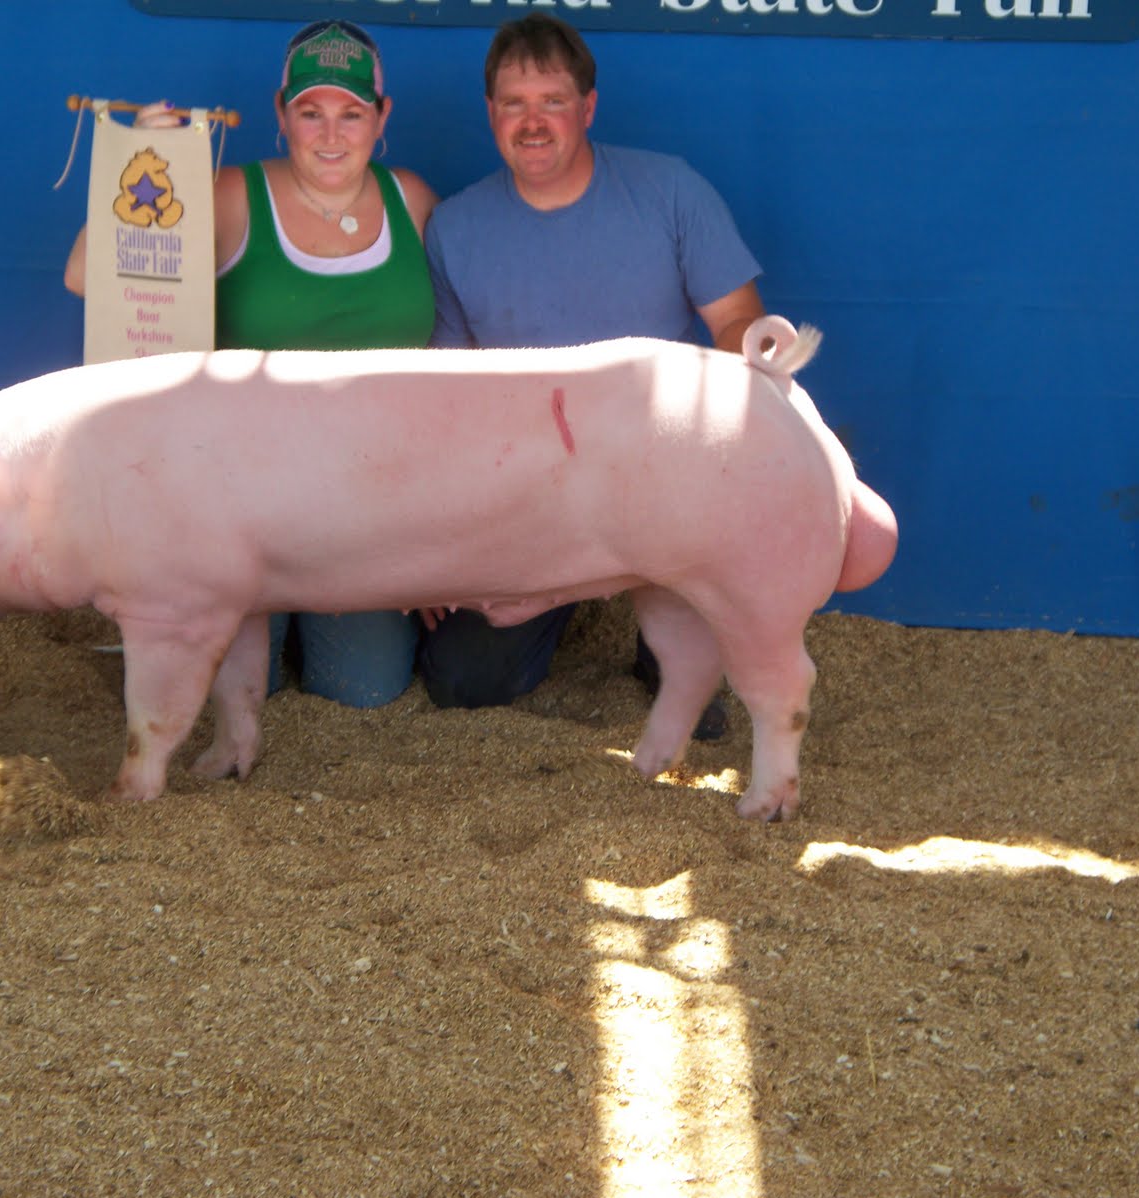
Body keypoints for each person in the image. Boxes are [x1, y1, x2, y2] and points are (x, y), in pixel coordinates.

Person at [65, 20, 437, 709]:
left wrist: (435, 534)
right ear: (281, 113)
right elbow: (87, 276)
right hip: (236, 506)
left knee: (364, 688)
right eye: (311, 112)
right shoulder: (231, 194)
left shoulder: (410, 200)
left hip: (366, 509)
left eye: (352, 113)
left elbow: (459, 353)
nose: (331, 134)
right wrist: (145, 158)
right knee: (231, 691)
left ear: (381, 117)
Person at [418, 12, 766, 738]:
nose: (533, 122)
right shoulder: (455, 227)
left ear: (588, 107)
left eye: (553, 100)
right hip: (530, 493)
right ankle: (562, 603)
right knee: (463, 682)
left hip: (660, 478)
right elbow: (446, 397)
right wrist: (444, 549)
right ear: (490, 113)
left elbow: (740, 321)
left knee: (696, 700)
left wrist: (706, 444)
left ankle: (665, 632)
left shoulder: (670, 191)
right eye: (514, 103)